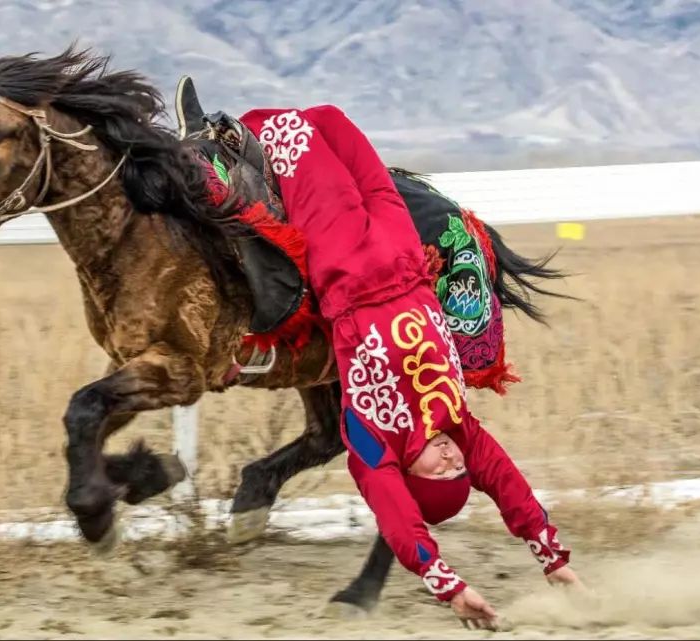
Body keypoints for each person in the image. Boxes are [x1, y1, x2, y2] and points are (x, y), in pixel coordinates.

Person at [231, 104, 583, 629]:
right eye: (460, 466)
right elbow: (509, 485)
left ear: (411, 478)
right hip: (401, 248)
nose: (452, 459)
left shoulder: (374, 444)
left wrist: (450, 587)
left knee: (282, 127)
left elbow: (400, 525)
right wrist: (552, 559)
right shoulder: (457, 426)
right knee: (330, 116)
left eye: (443, 472)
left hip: (344, 260)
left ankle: (214, 140)